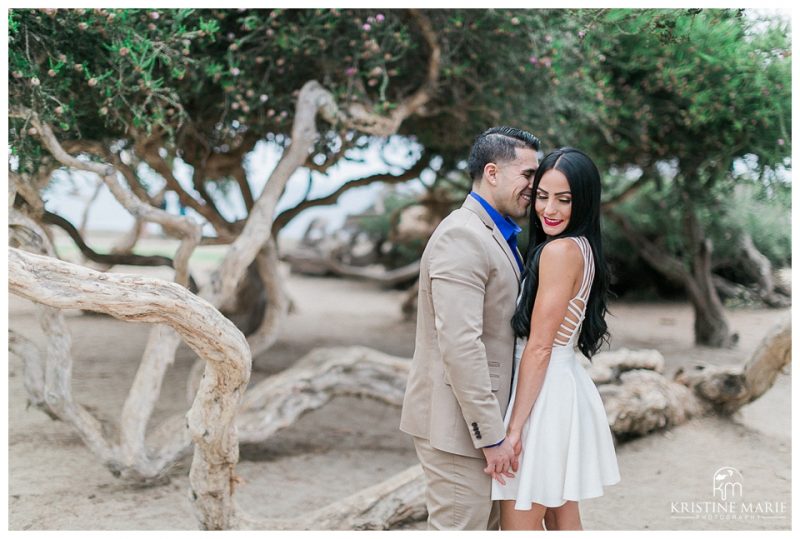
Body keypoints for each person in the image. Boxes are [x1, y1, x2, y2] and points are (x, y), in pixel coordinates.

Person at [399, 126, 541, 530]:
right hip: (457, 426)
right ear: (492, 173)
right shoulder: (462, 235)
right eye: (527, 175)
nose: (534, 185)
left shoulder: (497, 233)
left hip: (482, 423)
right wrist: (491, 437)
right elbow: (461, 345)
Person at [491, 147, 621, 530]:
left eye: (564, 200)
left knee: (519, 526)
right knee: (564, 521)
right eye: (542, 196)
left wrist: (513, 431)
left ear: (583, 203)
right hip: (560, 388)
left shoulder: (561, 251)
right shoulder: (581, 248)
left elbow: (540, 346)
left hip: (544, 396)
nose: (549, 209)